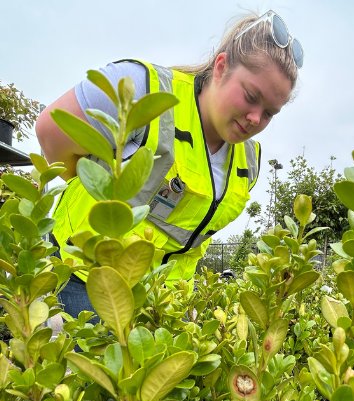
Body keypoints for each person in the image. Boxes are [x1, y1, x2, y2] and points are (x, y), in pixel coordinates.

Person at [35, 11, 303, 318]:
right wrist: (92, 181)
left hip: (163, 300)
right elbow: (51, 132)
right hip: (87, 279)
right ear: (221, 67)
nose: (255, 118)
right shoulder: (145, 89)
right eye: (251, 96)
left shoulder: (249, 161)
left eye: (269, 113)